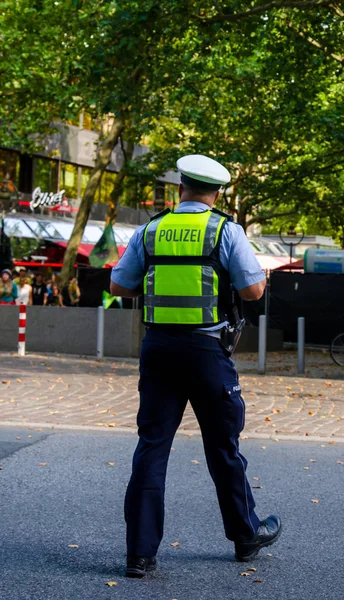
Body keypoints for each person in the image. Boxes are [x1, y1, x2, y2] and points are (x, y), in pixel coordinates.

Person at [110, 154, 282, 578]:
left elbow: (119, 285)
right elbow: (254, 290)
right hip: (206, 352)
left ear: (180, 186)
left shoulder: (151, 229)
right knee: (223, 447)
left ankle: (139, 555)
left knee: (152, 447)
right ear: (217, 192)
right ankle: (245, 536)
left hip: (158, 348)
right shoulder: (225, 230)